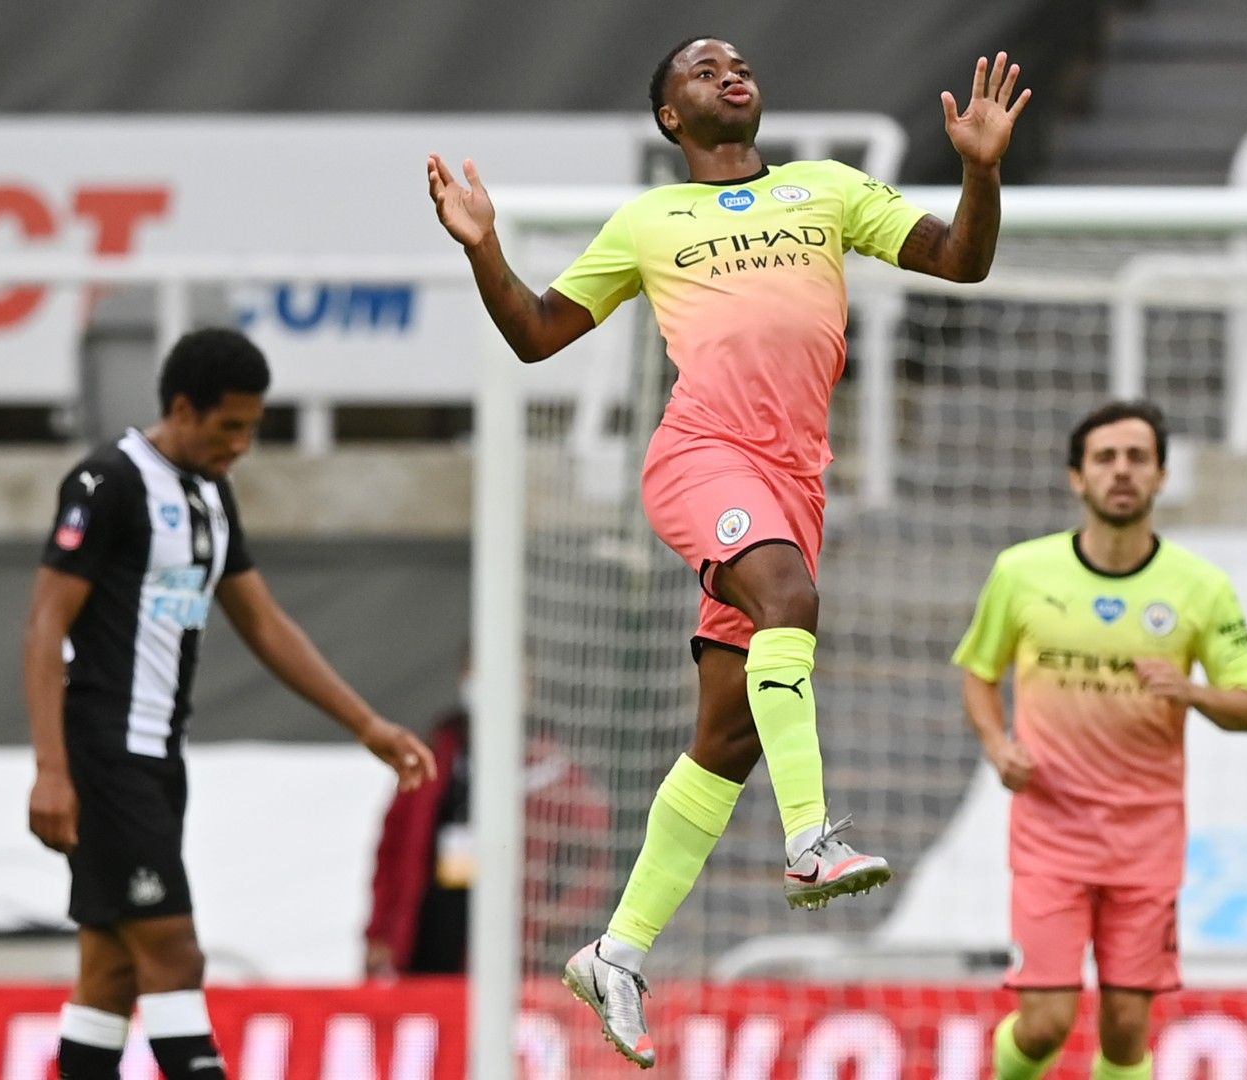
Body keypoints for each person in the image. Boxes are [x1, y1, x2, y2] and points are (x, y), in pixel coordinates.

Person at [429, 34, 1032, 1067]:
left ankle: (616, 953)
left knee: (728, 737)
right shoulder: (648, 221)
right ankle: (811, 842)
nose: (730, 73)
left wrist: (980, 172)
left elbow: (962, 262)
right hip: (701, 459)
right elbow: (535, 332)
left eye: (739, 62)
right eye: (702, 70)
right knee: (789, 603)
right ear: (672, 117)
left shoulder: (827, 191)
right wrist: (484, 245)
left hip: (794, 482)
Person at [22, 327, 435, 1080]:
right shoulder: (107, 482)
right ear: (183, 408)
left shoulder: (211, 494)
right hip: (106, 752)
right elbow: (46, 624)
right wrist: (51, 769)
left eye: (253, 427)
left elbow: (265, 623)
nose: (243, 444)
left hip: (156, 761)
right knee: (175, 955)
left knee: (111, 975)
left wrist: (367, 724)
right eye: (229, 427)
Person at [950, 401, 1247, 1080]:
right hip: (1050, 833)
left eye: (1136, 459)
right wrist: (995, 743)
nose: (1121, 472)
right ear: (1077, 478)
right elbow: (978, 672)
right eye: (1105, 458)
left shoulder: (1201, 588)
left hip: (1146, 838)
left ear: (1159, 476)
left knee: (1127, 1030)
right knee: (1044, 1025)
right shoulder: (1022, 572)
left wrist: (1193, 693)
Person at [364, 661, 613, 978]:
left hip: (513, 952)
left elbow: (594, 859)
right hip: (429, 942)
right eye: (477, 671)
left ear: (528, 686)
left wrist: (557, 917)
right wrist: (379, 933)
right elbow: (391, 849)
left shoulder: (551, 770)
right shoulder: (434, 756)